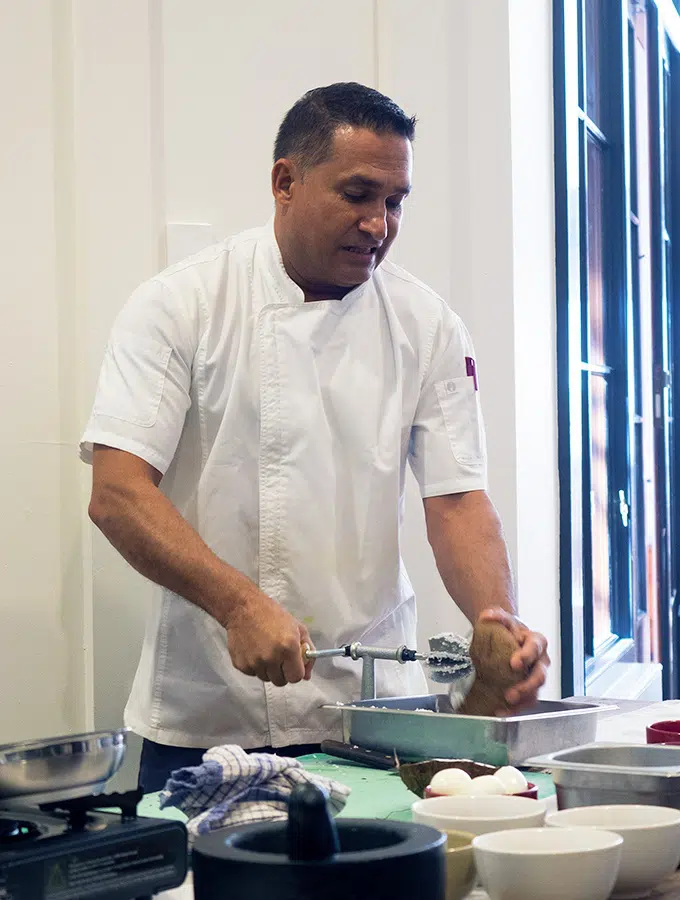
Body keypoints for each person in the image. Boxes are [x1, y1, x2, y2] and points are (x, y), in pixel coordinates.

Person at [81, 82, 549, 793]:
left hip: (375, 720)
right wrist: (239, 605)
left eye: (395, 202)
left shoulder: (428, 326)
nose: (378, 224)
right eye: (358, 193)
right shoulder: (181, 304)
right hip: (207, 718)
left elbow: (457, 500)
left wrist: (496, 617)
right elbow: (117, 495)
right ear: (285, 182)